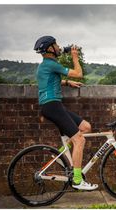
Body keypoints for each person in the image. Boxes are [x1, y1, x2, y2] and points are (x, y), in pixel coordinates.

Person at [33, 35, 98, 190]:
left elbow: (50, 80)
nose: (59, 46)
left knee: (86, 127)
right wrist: (75, 57)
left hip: (53, 106)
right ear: (50, 48)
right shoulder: (50, 64)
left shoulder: (45, 66)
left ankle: (61, 155)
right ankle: (77, 180)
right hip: (52, 106)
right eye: (55, 44)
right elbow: (78, 73)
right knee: (79, 140)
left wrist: (67, 82)